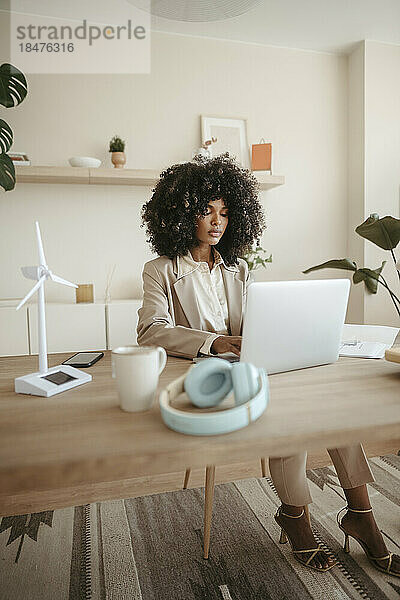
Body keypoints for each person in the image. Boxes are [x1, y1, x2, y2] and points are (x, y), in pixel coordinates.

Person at [137, 154, 399, 576]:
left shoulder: (239, 268)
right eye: (207, 211)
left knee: (332, 412)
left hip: (257, 367)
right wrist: (213, 341)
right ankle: (296, 517)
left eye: (225, 212)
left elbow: (260, 319)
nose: (217, 222)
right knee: (289, 415)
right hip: (210, 379)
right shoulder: (161, 270)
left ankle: (360, 513)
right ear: (181, 213)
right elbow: (151, 330)